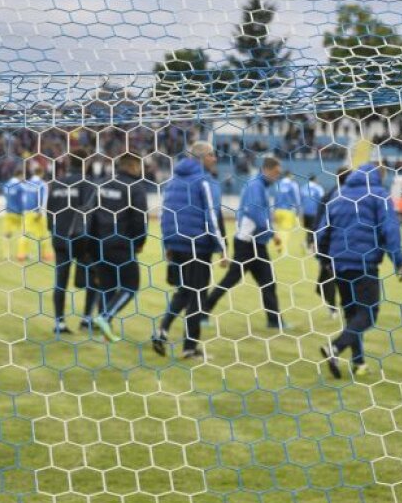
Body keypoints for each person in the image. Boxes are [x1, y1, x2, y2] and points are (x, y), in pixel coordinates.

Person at [317, 162, 402, 379]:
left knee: (352, 315)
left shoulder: (339, 194)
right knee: (368, 315)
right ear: (379, 176)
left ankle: (359, 363)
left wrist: (324, 259)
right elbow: (389, 228)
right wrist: (398, 261)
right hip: (363, 265)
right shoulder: (378, 195)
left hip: (339, 265)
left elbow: (322, 230)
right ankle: (335, 347)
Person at [156, 141, 228, 361]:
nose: (215, 159)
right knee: (197, 295)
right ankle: (190, 347)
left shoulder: (173, 181)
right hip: (197, 246)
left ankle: (162, 330)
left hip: (176, 245)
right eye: (212, 155)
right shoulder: (204, 181)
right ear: (202, 157)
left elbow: (164, 214)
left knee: (184, 292)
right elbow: (212, 216)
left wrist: (167, 244)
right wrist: (223, 248)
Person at [203, 156, 285, 331]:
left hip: (257, 243)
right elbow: (255, 213)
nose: (277, 176)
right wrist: (272, 232)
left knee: (268, 282)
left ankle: (274, 320)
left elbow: (260, 213)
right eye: (275, 172)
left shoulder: (259, 185)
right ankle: (202, 312)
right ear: (266, 169)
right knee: (231, 280)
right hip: (247, 243)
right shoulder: (256, 186)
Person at [86, 154, 148, 342]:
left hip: (98, 242)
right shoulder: (135, 188)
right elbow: (140, 219)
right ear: (134, 165)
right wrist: (138, 243)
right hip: (121, 244)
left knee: (107, 287)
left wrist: (91, 244)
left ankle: (105, 333)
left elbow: (89, 213)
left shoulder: (102, 184)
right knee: (131, 286)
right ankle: (105, 317)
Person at [45, 154, 96, 336]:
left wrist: (54, 231)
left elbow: (49, 212)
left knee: (60, 281)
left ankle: (59, 322)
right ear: (85, 162)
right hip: (82, 240)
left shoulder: (57, 183)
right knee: (92, 280)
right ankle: (86, 320)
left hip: (60, 238)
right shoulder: (87, 184)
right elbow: (90, 212)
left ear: (68, 162)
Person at [312, 167, 350, 316]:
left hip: (330, 245)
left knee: (328, 279)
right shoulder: (346, 195)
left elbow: (319, 220)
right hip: (342, 244)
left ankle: (336, 309)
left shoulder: (330, 195)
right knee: (330, 279)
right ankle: (339, 308)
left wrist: (314, 239)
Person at [20, 163, 53, 263]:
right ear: (41, 173)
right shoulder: (42, 184)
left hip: (27, 211)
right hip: (38, 212)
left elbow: (24, 197)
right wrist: (41, 211)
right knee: (42, 234)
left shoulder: (28, 183)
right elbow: (44, 198)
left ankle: (22, 254)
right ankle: (42, 255)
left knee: (26, 233)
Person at [271, 170, 300, 255]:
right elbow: (297, 198)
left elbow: (275, 197)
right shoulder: (293, 184)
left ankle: (277, 246)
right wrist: (298, 210)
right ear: (290, 175)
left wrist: (273, 211)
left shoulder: (278, 184)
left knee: (279, 229)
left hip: (278, 210)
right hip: (288, 210)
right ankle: (282, 249)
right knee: (285, 230)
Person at [1, 171, 25, 260]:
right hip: (19, 213)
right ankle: (21, 254)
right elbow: (23, 200)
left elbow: (6, 196)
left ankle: (6, 255)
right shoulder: (21, 186)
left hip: (9, 212)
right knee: (23, 234)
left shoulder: (6, 185)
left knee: (7, 234)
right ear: (20, 175)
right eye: (23, 176)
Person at [301, 175, 326, 251]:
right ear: (315, 180)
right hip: (315, 212)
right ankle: (311, 245)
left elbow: (300, 199)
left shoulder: (303, 188)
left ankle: (307, 243)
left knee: (309, 229)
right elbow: (323, 199)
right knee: (315, 229)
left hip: (305, 212)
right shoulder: (318, 188)